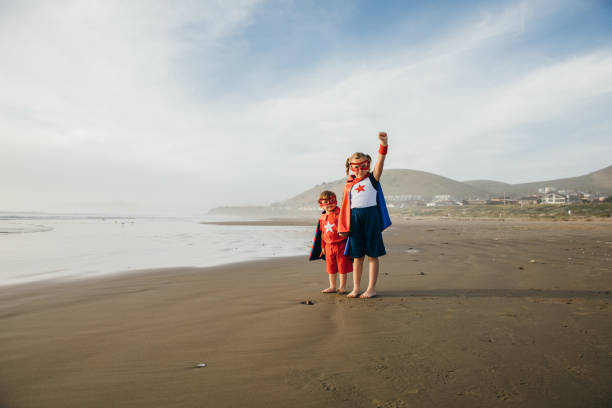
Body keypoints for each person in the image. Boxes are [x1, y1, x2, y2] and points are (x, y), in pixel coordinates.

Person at [338, 132, 391, 298]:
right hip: (354, 218)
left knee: (372, 255)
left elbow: (381, 161)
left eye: (363, 166)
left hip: (371, 217)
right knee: (357, 256)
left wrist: (383, 144)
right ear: (351, 167)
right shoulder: (349, 184)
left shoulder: (373, 179)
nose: (360, 170)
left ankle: (371, 289)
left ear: (368, 165)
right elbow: (346, 206)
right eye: (356, 167)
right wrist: (343, 225)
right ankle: (355, 288)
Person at [309, 191, 353, 293]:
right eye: (326, 202)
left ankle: (342, 287)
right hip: (328, 246)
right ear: (322, 205)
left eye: (332, 201)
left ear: (336, 201)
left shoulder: (340, 214)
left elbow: (347, 227)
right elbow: (322, 234)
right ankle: (332, 286)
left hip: (341, 244)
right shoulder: (322, 217)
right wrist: (323, 247)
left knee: (342, 266)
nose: (329, 204)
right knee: (331, 267)